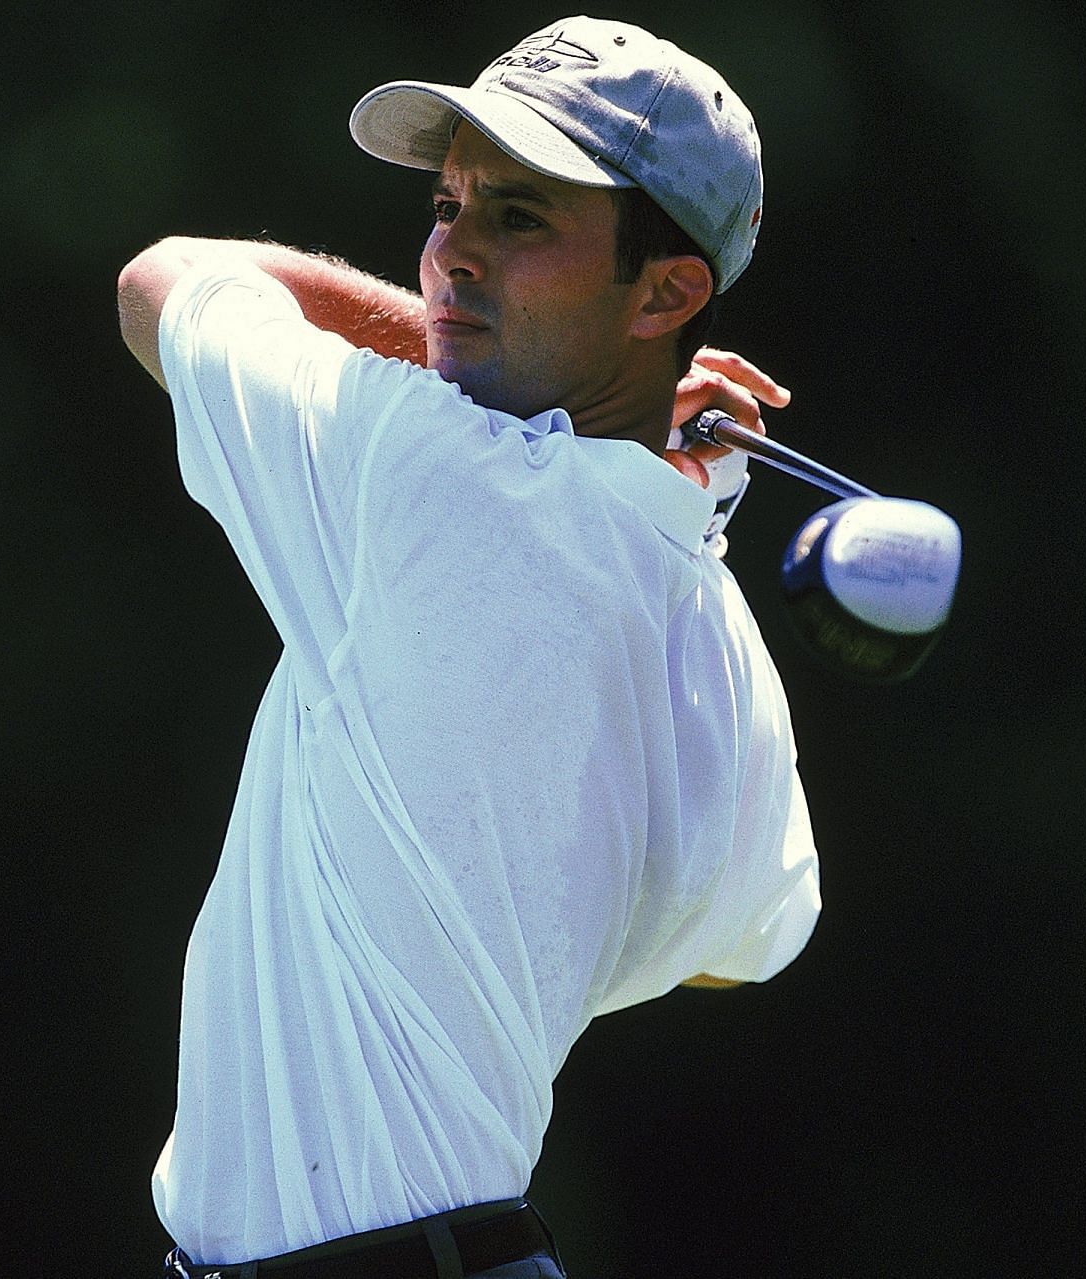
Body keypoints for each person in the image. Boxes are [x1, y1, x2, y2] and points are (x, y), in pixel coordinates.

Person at [118, 17, 823, 1277]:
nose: (450, 257)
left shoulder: (419, 470)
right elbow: (736, 951)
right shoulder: (716, 642)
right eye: (448, 206)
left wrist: (564, 432)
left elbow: (162, 279)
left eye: (521, 219)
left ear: (668, 293)